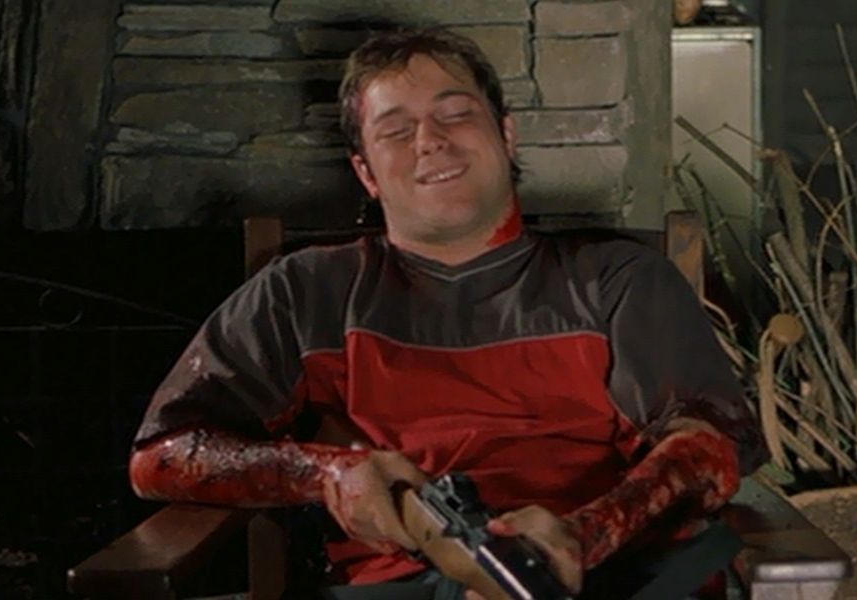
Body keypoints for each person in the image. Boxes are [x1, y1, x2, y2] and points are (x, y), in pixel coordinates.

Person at [129, 28, 764, 600]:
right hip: (403, 583)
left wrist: (580, 538)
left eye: (456, 114)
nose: (430, 141)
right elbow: (161, 456)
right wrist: (327, 473)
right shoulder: (306, 291)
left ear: (505, 136)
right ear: (365, 173)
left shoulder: (618, 280)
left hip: (609, 573)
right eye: (395, 131)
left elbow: (711, 447)